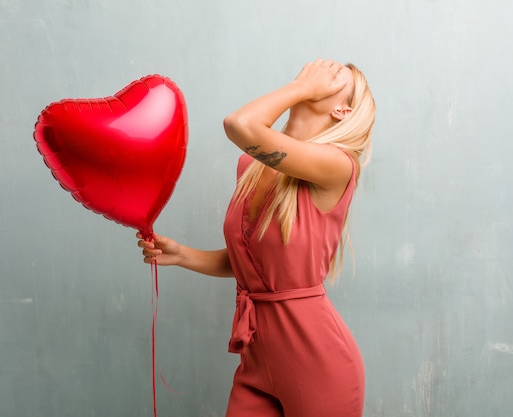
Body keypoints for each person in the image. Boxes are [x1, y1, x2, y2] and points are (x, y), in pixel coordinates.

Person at [137, 59, 376, 417]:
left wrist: (302, 88)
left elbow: (239, 125)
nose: (326, 67)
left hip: (317, 361)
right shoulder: (252, 168)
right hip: (256, 359)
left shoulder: (339, 165)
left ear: (343, 110)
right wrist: (182, 254)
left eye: (338, 75)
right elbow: (253, 264)